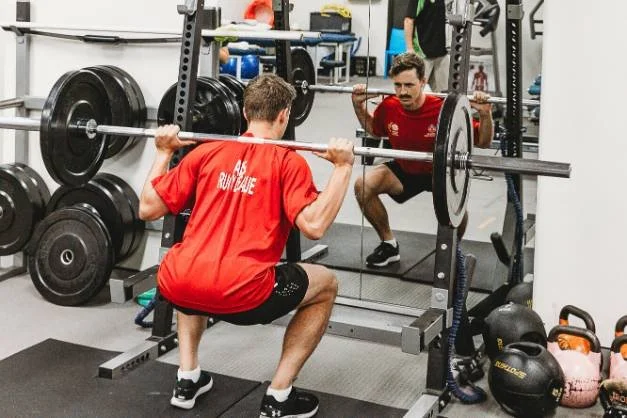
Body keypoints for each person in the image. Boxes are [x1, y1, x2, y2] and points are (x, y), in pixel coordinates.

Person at [139, 73, 355, 417]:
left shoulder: (206, 152)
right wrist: (342, 168)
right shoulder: (288, 162)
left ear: (244, 111)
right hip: (247, 297)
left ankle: (187, 377)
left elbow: (148, 207)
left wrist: (163, 152)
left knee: (192, 267)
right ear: (284, 115)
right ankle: (279, 396)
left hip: (175, 284)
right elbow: (314, 225)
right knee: (326, 284)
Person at [351, 53, 493, 267]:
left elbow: (483, 141)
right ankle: (389, 246)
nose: (403, 92)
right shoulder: (390, 106)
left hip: (439, 171)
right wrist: (358, 107)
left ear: (423, 82)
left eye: (409, 85)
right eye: (398, 85)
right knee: (363, 186)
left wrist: (485, 115)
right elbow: (374, 130)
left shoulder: (442, 109)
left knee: (455, 210)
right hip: (404, 168)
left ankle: (453, 250)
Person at [404, 0, 449, 93]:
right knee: (414, 92)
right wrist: (409, 48)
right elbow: (408, 21)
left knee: (444, 94)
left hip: (440, 54)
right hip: (422, 54)